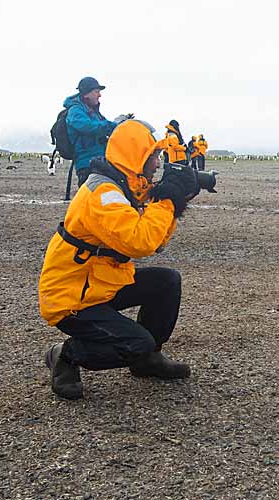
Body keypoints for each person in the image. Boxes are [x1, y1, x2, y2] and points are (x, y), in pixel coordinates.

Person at [38, 119, 200, 400]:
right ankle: (66, 355)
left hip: (101, 283)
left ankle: (147, 359)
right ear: (135, 154)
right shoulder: (103, 194)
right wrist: (166, 200)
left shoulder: (126, 185)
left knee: (167, 281)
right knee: (136, 342)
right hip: (73, 297)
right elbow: (140, 242)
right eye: (153, 155)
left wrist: (176, 202)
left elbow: (155, 242)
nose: (158, 163)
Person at [64, 77, 129, 186]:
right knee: (92, 198)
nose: (99, 95)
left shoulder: (92, 110)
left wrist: (120, 123)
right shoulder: (75, 110)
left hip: (99, 162)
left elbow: (103, 125)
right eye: (96, 92)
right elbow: (88, 126)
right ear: (86, 94)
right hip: (87, 164)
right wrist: (114, 125)